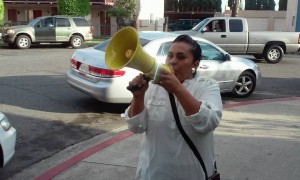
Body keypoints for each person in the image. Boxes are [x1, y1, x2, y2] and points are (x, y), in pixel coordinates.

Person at [122, 34, 223, 180]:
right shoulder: (153, 87)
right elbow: (137, 127)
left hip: (192, 174)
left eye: (181, 57)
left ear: (195, 64)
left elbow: (209, 122)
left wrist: (177, 89)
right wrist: (138, 97)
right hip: (153, 173)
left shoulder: (207, 86)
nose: (173, 61)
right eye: (170, 56)